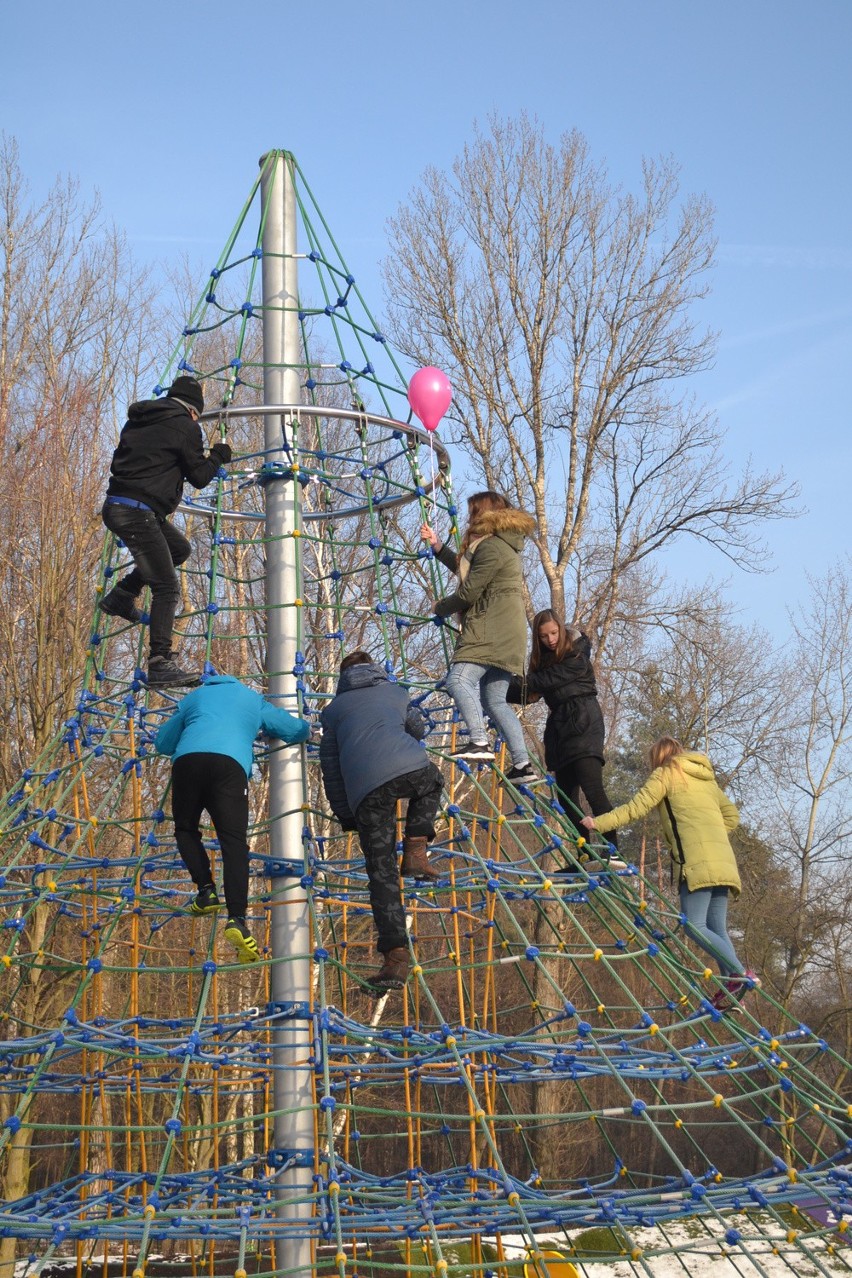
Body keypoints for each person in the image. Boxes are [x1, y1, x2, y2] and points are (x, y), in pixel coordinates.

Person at [581, 737, 759, 1009]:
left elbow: (635, 809)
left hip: (696, 863)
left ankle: (740, 973)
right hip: (723, 862)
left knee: (693, 925)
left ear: (660, 758)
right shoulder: (707, 780)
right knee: (717, 928)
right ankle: (732, 985)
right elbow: (732, 817)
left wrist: (598, 823)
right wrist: (711, 836)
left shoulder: (666, 773)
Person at [155, 674, 309, 964]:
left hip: (187, 763)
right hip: (229, 765)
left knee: (186, 829)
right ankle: (236, 918)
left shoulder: (194, 698)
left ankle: (206, 890)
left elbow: (163, 742)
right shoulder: (250, 698)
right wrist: (307, 729)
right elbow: (290, 729)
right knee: (234, 843)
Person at [319, 651, 444, 993]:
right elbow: (417, 728)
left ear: (342, 678)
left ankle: (395, 957)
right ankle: (417, 848)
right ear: (373, 668)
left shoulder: (332, 712)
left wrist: (345, 815)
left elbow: (330, 768)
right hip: (410, 768)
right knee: (433, 781)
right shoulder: (396, 691)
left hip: (365, 793)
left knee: (381, 872)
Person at [100, 375, 233, 689]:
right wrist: (218, 456)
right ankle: (160, 662)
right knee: (167, 588)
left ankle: (122, 596)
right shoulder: (186, 427)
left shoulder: (138, 421)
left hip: (121, 505)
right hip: (137, 512)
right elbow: (199, 476)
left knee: (178, 550)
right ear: (193, 411)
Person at [421, 491, 537, 785]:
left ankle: (479, 741)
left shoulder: (491, 547)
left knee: (458, 680)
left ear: (485, 514)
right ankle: (523, 765)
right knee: (494, 700)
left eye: (473, 512)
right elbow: (471, 575)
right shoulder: (499, 546)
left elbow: (468, 592)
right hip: (508, 633)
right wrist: (438, 547)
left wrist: (440, 608)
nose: (469, 518)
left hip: (491, 629)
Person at [507, 610, 617, 846]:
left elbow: (547, 681)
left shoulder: (577, 653)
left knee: (593, 789)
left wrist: (519, 682)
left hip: (584, 721)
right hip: (560, 729)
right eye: (544, 636)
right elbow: (531, 693)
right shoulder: (542, 662)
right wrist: (498, 687)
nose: (551, 639)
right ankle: (584, 852)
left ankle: (613, 848)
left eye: (554, 633)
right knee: (567, 798)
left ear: (561, 628)